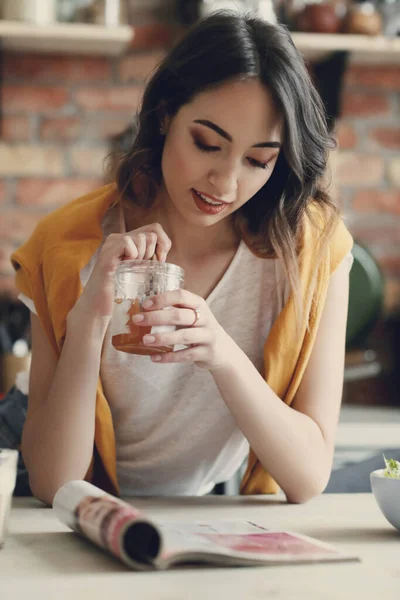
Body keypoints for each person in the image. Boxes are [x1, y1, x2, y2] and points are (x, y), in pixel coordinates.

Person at [11, 11, 353, 506]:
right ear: (165, 113)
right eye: (207, 144)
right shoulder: (67, 245)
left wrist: (221, 350)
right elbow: (52, 482)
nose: (226, 183)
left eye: (259, 160)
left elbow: (308, 475)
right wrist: (89, 318)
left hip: (175, 511)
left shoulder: (311, 253)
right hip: (33, 493)